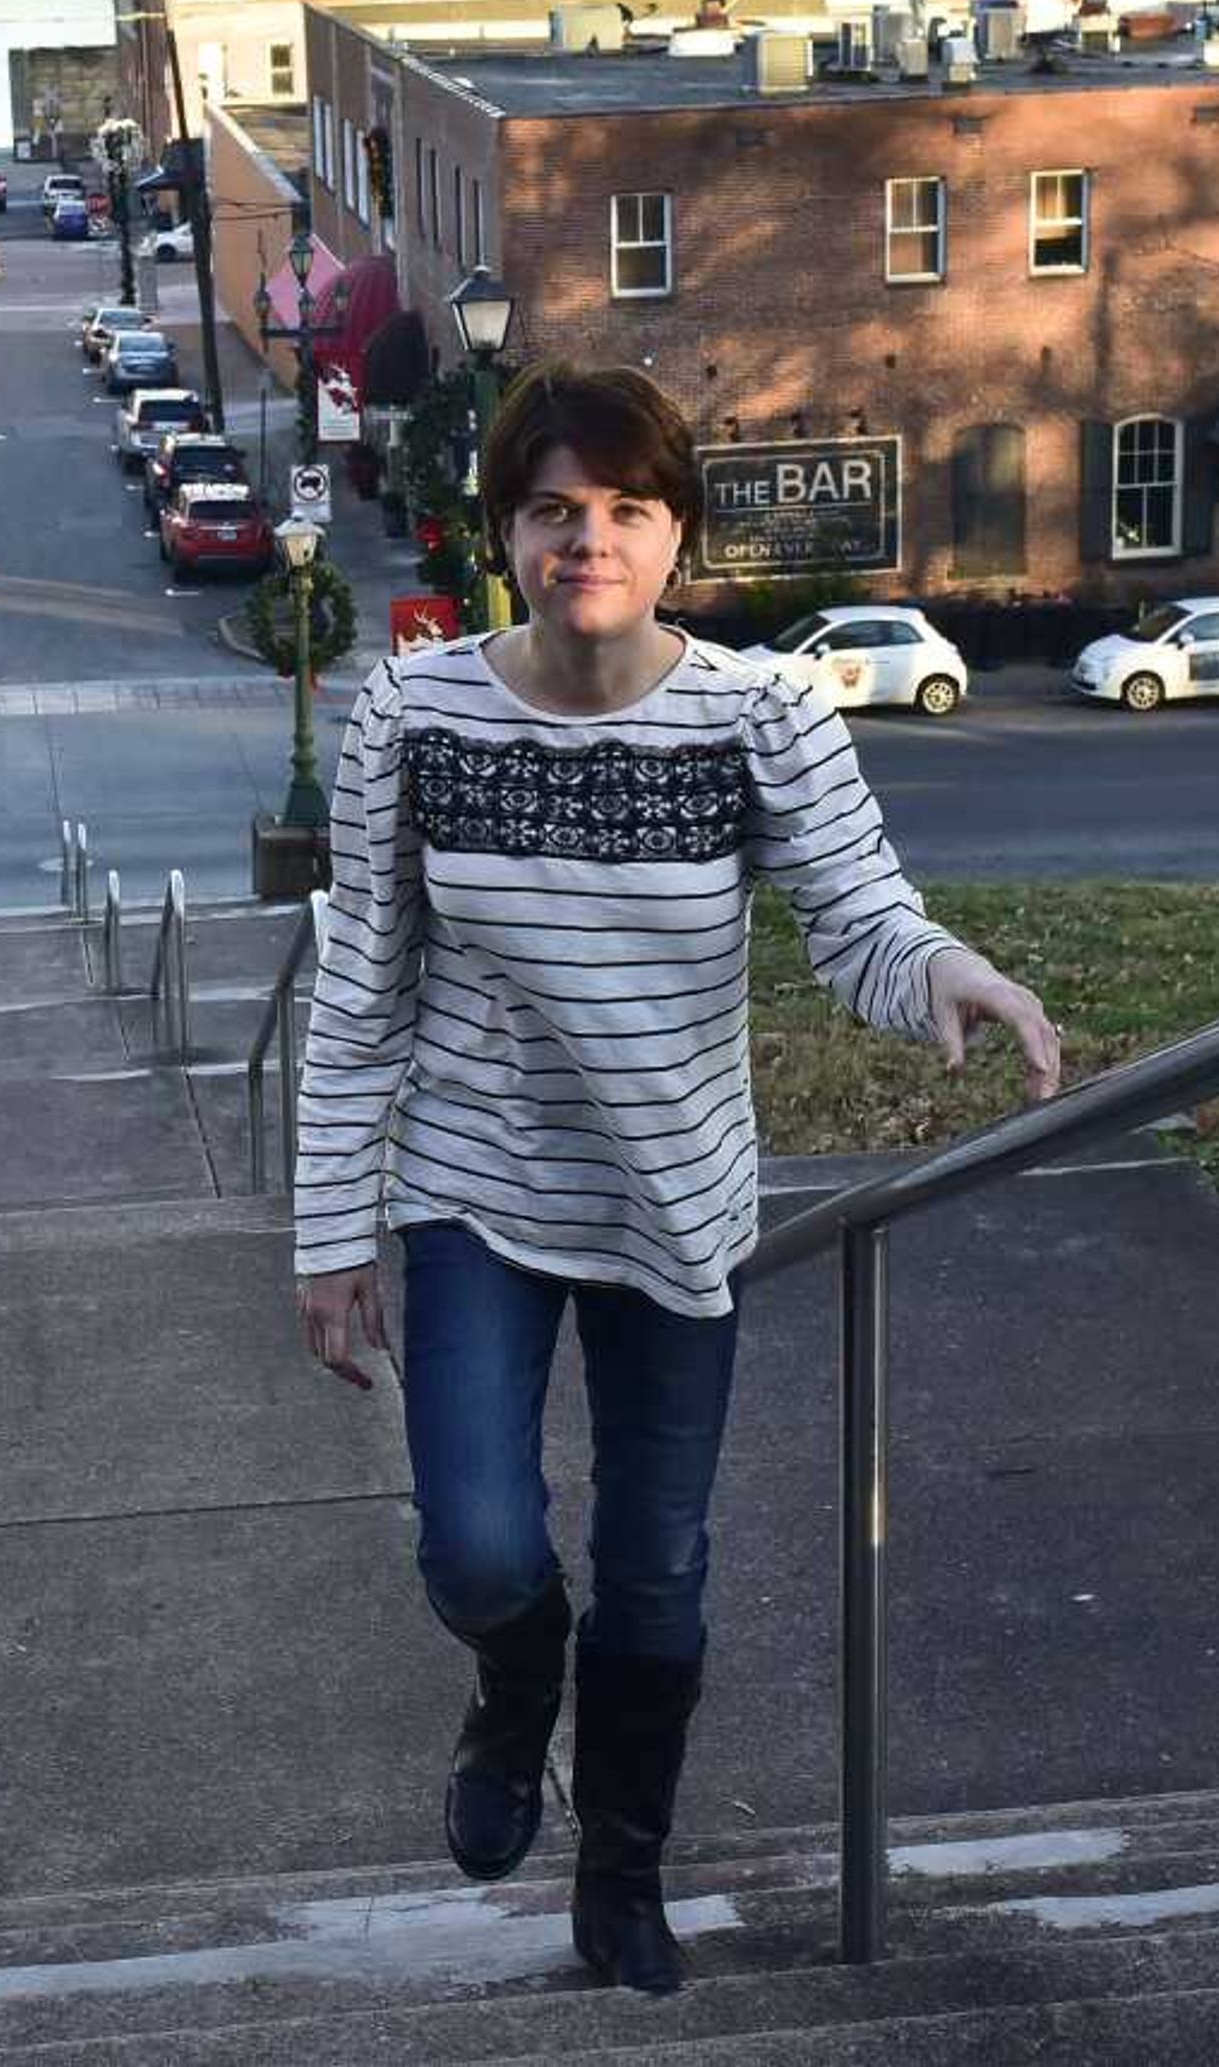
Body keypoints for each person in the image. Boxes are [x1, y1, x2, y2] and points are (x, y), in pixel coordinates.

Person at [292, 360, 1060, 1997]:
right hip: (476, 1190)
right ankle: (516, 1683)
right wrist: (332, 1227)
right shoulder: (414, 716)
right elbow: (362, 980)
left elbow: (855, 914)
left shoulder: (759, 711)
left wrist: (947, 972)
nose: (591, 540)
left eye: (626, 510)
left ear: (677, 536)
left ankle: (623, 1874)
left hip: (675, 1206)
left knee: (659, 1571)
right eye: (556, 510)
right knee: (484, 1551)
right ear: (507, 530)